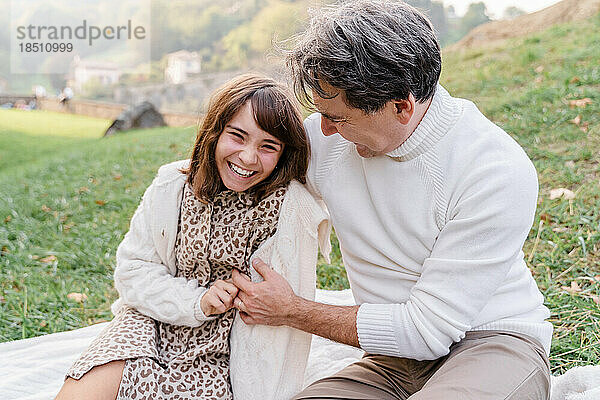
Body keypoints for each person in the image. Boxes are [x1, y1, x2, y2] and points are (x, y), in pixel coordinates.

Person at [231, 1, 553, 399]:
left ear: (402, 105)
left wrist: (292, 310)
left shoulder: (494, 169)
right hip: (390, 358)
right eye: (321, 113)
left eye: (339, 117)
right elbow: (241, 167)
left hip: (492, 341)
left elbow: (425, 331)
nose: (324, 129)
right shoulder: (330, 136)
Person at [55, 73, 331, 400]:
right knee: (81, 392)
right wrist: (197, 301)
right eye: (237, 136)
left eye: (267, 146)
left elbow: (282, 324)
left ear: (284, 152)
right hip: (154, 318)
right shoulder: (172, 184)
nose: (247, 157)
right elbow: (133, 271)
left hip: (224, 347)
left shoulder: (289, 208)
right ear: (214, 132)